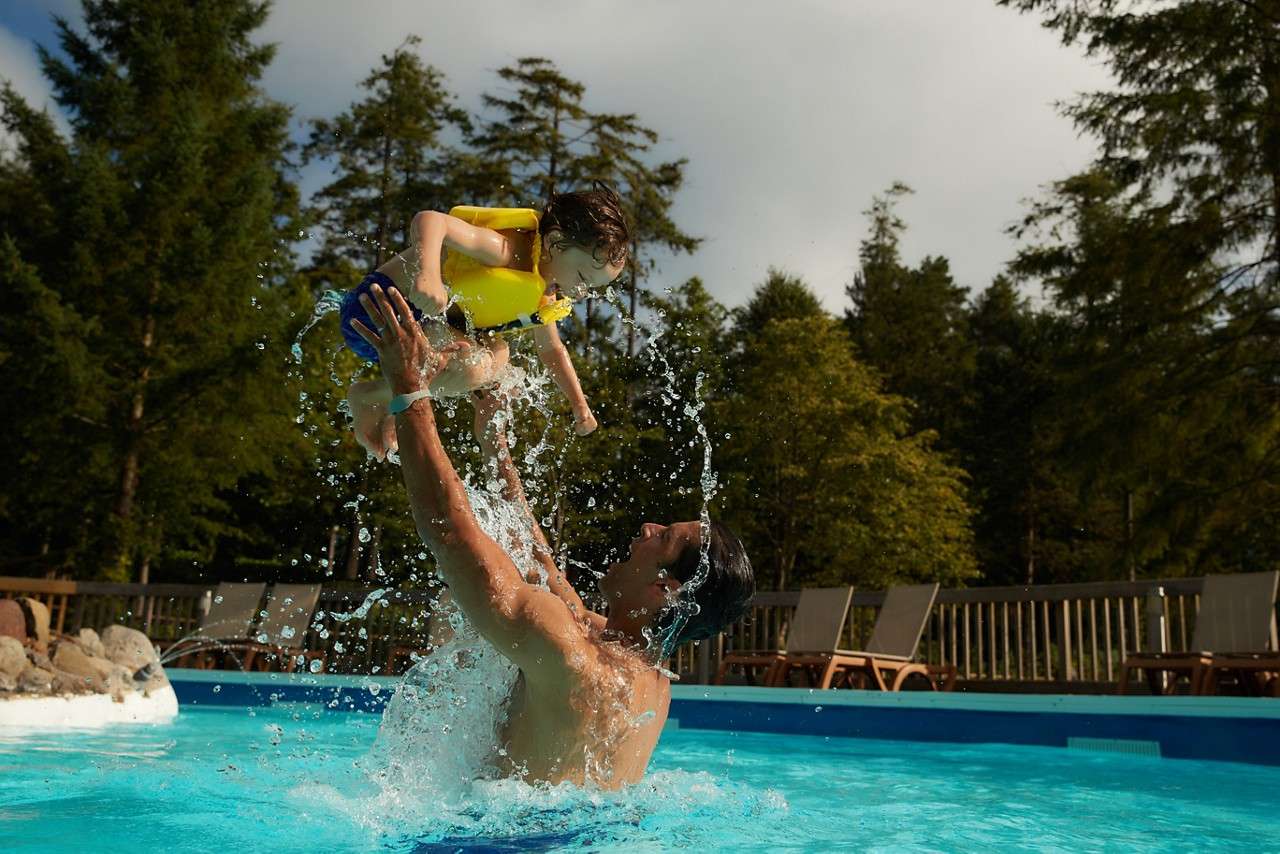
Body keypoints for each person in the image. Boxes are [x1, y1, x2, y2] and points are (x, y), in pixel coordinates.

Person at [349, 283, 754, 789]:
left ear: (666, 588)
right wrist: (494, 443)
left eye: (665, 536)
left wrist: (410, 390)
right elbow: (542, 563)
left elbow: (453, 535)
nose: (648, 528)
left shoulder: (571, 655)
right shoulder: (644, 678)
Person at [340, 183, 629, 460]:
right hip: (377, 310)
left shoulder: (545, 294)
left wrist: (579, 404)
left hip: (426, 325)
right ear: (555, 243)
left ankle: (395, 398)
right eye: (581, 279)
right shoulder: (504, 249)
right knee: (472, 367)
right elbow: (431, 220)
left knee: (497, 360)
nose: (581, 293)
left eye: (590, 289)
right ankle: (370, 396)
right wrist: (428, 273)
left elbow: (552, 350)